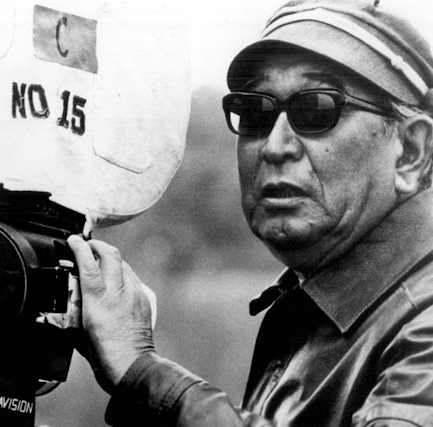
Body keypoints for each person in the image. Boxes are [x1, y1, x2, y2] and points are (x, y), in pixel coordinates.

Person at [66, 0, 433, 425]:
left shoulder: (423, 323)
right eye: (256, 112)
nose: (275, 146)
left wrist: (141, 370)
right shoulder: (317, 310)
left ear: (411, 151)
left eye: (316, 109)